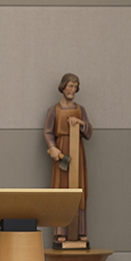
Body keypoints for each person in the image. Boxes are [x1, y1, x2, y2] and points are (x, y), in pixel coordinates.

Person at [44, 72, 92, 243]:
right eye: (70, 85)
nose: (73, 89)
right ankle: (60, 232)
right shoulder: (54, 110)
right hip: (62, 155)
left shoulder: (80, 110)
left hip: (77, 154)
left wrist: (80, 123)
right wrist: (53, 147)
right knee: (61, 190)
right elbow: (48, 132)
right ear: (63, 87)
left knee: (79, 190)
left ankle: (80, 231)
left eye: (75, 86)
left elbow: (89, 132)